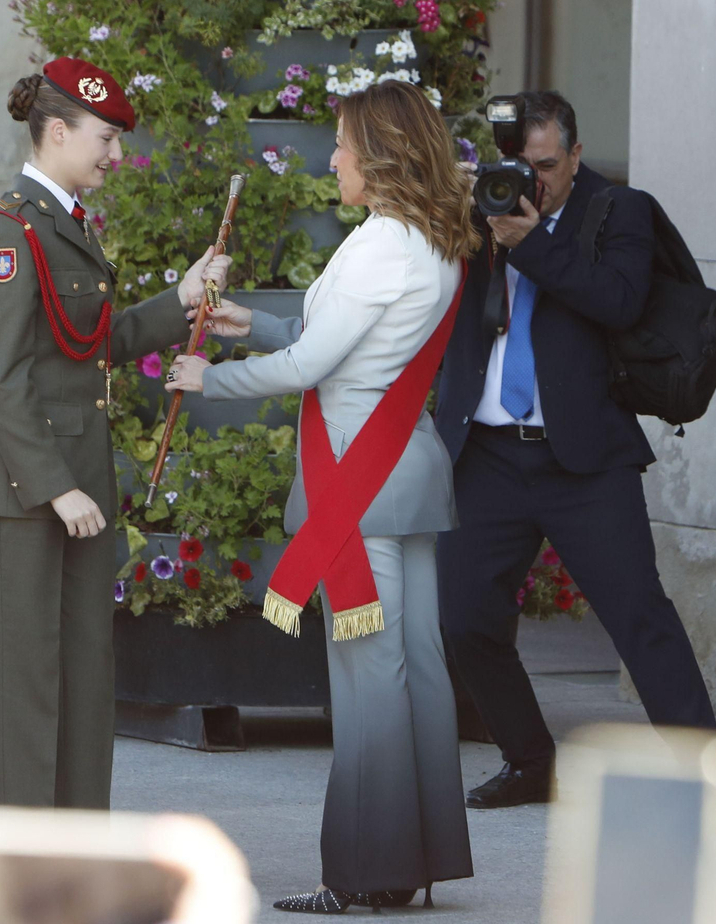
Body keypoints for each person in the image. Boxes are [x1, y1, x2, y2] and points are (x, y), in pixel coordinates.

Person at [166, 79, 475, 912]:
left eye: (342, 143)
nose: (331, 157)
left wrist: (208, 378)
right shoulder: (431, 238)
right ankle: (414, 859)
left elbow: (312, 368)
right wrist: (251, 326)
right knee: (417, 669)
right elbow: (330, 338)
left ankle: (363, 875)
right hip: (401, 470)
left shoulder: (380, 244)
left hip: (357, 482)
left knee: (369, 679)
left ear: (377, 156)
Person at [0, 58, 230, 809]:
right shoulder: (11, 233)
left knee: (83, 680)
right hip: (22, 488)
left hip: (74, 484)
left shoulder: (64, 223)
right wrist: (55, 486)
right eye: (105, 138)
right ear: (58, 132)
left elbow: (87, 343)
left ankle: (74, 860)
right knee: (22, 689)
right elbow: (0, 380)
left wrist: (182, 299)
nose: (116, 155)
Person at [432, 91, 716, 810]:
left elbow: (618, 300)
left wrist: (533, 241)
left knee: (637, 616)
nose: (532, 182)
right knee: (464, 618)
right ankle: (530, 761)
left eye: (547, 166)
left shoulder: (619, 212)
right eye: (517, 166)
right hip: (489, 451)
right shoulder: (479, 210)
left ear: (576, 155)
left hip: (584, 454)